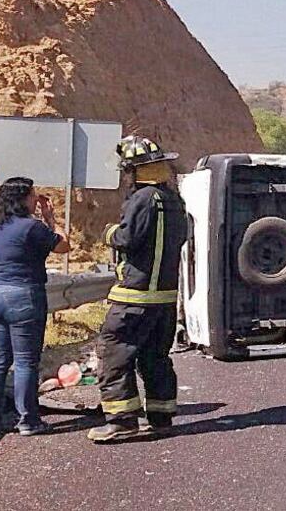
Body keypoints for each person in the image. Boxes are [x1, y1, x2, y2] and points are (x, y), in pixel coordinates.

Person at [88, 136, 187, 442]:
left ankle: (121, 421)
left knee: (113, 351)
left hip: (135, 297)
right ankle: (160, 416)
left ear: (134, 170)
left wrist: (110, 233)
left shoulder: (143, 199)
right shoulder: (174, 201)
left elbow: (128, 238)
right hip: (165, 298)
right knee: (154, 356)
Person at [0, 177, 70, 436]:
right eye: (33, 196)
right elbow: (64, 246)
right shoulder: (32, 228)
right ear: (23, 199)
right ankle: (28, 420)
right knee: (25, 361)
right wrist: (50, 219)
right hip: (24, 295)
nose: (36, 200)